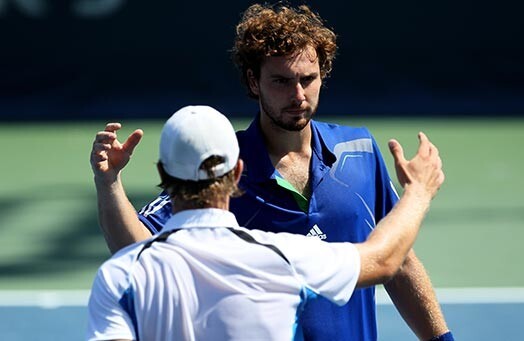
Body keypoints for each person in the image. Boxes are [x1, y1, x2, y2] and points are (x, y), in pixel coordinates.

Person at [90, 3, 454, 341]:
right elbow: (139, 248)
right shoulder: (220, 164)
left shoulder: (359, 149)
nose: (297, 94)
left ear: (322, 76)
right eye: (281, 81)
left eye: (308, 79)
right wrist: (109, 183)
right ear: (253, 82)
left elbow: (400, 259)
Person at [87, 105, 444, 341]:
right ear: (237, 171)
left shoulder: (121, 276)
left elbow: (132, 247)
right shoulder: (282, 257)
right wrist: (419, 192)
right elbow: (384, 259)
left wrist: (108, 183)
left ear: (163, 173)